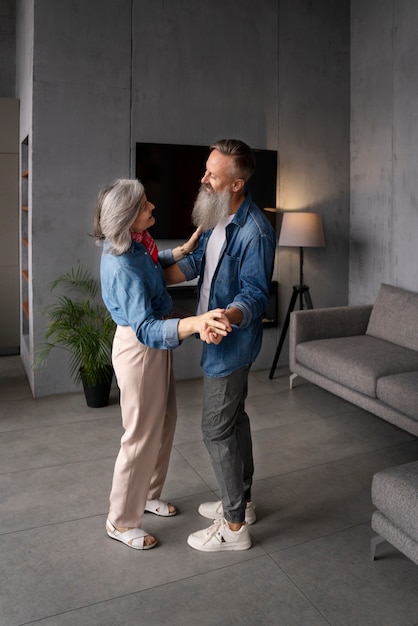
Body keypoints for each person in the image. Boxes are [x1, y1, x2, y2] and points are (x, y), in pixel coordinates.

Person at [93, 178, 231, 550]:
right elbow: (145, 328)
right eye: (144, 206)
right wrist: (195, 324)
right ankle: (120, 521)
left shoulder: (136, 245)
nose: (151, 208)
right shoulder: (121, 265)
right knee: (139, 435)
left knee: (165, 422)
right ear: (127, 217)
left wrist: (183, 249)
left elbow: (152, 263)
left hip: (153, 347)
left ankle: (148, 495)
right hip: (139, 349)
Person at [162, 139, 276, 551]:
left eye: (213, 174)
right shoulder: (216, 216)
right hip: (214, 333)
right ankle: (242, 503)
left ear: (238, 183)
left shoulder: (255, 232)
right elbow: (197, 264)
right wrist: (149, 278)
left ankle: (233, 530)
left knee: (215, 429)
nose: (203, 178)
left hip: (230, 341)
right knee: (234, 420)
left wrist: (220, 319)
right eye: (206, 169)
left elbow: (254, 296)